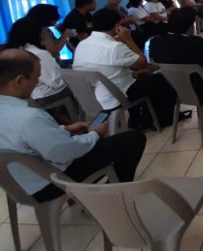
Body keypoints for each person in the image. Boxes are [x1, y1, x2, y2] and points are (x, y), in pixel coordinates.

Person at [0, 49, 146, 202]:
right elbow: (64, 153)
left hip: (19, 186)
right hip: (49, 183)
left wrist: (65, 129)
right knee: (132, 139)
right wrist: (95, 134)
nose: (37, 83)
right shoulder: (28, 117)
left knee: (86, 139)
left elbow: (23, 140)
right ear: (20, 81)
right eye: (36, 78)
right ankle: (114, 196)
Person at [73, 9, 177, 129]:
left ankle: (139, 119)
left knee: (144, 79)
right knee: (160, 78)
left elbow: (105, 69)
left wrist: (132, 74)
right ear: (117, 26)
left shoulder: (82, 45)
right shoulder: (114, 47)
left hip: (94, 96)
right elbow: (142, 63)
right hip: (116, 96)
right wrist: (128, 39)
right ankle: (163, 119)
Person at [5, 17, 73, 106]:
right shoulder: (39, 54)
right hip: (46, 95)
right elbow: (56, 82)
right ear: (37, 34)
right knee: (80, 86)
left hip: (32, 96)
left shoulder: (17, 52)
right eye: (43, 31)